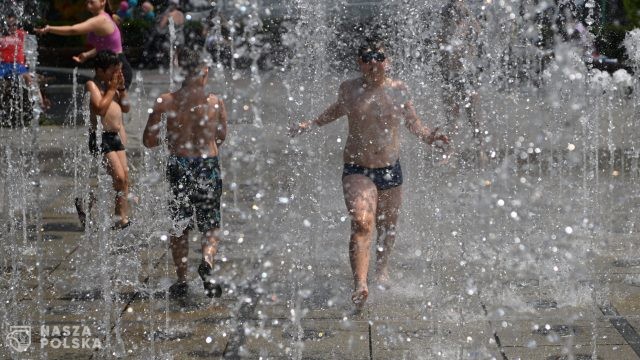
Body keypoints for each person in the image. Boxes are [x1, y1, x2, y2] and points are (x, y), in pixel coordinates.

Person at [289, 39, 449, 309]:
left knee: (387, 226)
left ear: (388, 61)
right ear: (359, 63)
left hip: (390, 168)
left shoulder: (399, 90)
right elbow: (338, 109)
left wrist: (430, 138)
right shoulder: (349, 89)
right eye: (366, 57)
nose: (373, 61)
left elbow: (413, 123)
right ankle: (360, 284)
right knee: (362, 224)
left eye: (379, 56)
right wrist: (312, 123)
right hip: (357, 168)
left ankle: (382, 270)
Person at [143, 47, 228, 299]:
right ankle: (207, 262)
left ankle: (181, 279)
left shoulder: (165, 101)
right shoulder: (215, 102)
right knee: (210, 223)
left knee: (179, 223)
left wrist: (171, 139)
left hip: (179, 164)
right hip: (207, 164)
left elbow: (149, 140)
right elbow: (221, 136)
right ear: (203, 72)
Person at [35, 0, 133, 90]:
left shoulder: (101, 20)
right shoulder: (101, 18)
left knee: (108, 106)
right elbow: (107, 45)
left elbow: (73, 30)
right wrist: (88, 54)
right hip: (105, 68)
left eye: (92, 2)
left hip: (116, 67)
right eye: (87, 2)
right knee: (97, 103)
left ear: (103, 2)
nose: (88, 4)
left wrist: (49, 29)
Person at [85, 50, 131, 229]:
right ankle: (88, 201)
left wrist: (122, 90)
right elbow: (100, 110)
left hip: (115, 137)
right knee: (118, 178)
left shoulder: (112, 87)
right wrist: (112, 89)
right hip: (100, 137)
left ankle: (121, 218)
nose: (116, 75)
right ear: (100, 70)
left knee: (124, 178)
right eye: (113, 71)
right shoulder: (93, 85)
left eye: (118, 71)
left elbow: (126, 108)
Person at [438, 0, 485, 166]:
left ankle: (480, 150)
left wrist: (468, 18)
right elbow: (441, 43)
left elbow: (479, 32)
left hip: (468, 75)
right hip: (450, 76)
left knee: (474, 116)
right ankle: (449, 150)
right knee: (452, 117)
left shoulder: (469, 19)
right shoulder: (446, 16)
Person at [0, 14, 48, 112]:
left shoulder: (21, 34)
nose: (11, 27)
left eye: (13, 25)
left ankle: (41, 104)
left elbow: (33, 33)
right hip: (4, 65)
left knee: (29, 78)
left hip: (18, 65)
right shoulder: (2, 36)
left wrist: (40, 31)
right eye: (8, 25)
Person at [142, 0, 184, 67]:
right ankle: (176, 64)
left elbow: (161, 26)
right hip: (181, 38)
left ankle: (172, 64)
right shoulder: (181, 14)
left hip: (171, 38)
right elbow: (181, 25)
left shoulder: (169, 14)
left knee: (165, 46)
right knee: (176, 53)